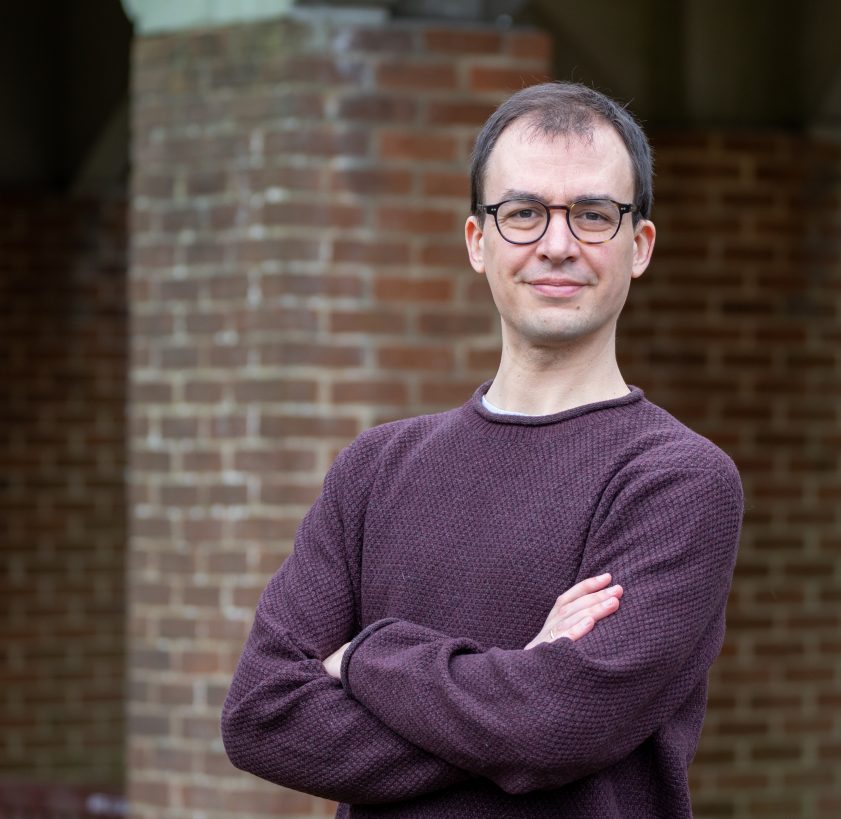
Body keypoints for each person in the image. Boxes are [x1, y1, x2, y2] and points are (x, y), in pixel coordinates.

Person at [221, 81, 744, 818]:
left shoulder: (676, 482)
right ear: (478, 241)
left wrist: (367, 657)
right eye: (524, 213)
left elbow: (558, 725)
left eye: (593, 215)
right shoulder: (376, 468)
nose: (557, 245)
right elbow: (262, 716)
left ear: (639, 246)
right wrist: (515, 687)